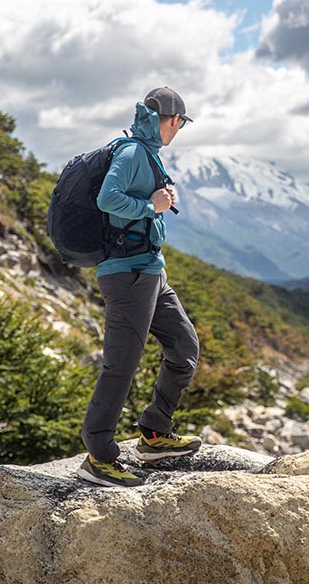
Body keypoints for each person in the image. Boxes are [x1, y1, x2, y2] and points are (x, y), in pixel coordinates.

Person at [77, 86, 202, 488]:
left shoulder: (147, 153)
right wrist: (152, 206)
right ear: (173, 120)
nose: (179, 130)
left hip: (150, 272)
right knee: (122, 365)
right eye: (180, 123)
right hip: (127, 274)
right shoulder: (132, 153)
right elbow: (107, 198)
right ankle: (99, 456)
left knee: (184, 348)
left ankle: (154, 432)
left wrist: (156, 202)